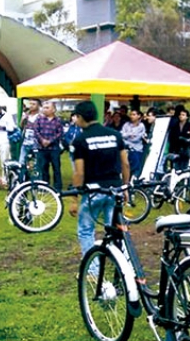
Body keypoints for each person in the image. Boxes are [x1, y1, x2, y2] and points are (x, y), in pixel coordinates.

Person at [68, 101, 129, 259]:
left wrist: (74, 199)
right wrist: (125, 187)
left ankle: (92, 270)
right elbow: (125, 164)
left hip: (93, 192)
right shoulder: (116, 135)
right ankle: (122, 265)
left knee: (86, 230)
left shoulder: (80, 140)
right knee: (116, 229)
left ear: (80, 117)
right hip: (115, 190)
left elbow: (79, 173)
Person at [34, 100, 64, 191]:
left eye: (47, 108)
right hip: (41, 148)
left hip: (54, 148)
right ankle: (44, 186)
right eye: (44, 108)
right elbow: (36, 131)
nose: (45, 110)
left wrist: (50, 141)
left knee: (56, 168)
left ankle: (57, 187)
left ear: (53, 110)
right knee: (43, 168)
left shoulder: (58, 121)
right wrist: (42, 140)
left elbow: (60, 133)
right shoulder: (39, 120)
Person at [121, 108, 146, 177]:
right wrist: (129, 135)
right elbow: (121, 135)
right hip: (127, 149)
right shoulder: (126, 124)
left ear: (139, 116)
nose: (132, 116)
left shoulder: (141, 126)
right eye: (131, 114)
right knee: (126, 167)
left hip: (136, 149)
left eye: (134, 114)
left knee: (135, 168)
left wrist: (126, 137)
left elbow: (136, 139)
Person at [168, 106, 190, 171]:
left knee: (184, 166)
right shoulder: (175, 125)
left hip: (185, 149)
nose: (181, 116)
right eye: (180, 114)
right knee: (175, 167)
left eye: (183, 115)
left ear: (187, 117)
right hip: (176, 148)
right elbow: (171, 137)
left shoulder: (189, 125)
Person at [19, 98, 41, 166]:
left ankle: (37, 175)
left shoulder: (41, 116)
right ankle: (23, 175)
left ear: (38, 106)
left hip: (36, 142)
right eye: (30, 104)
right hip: (26, 141)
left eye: (34, 104)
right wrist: (22, 120)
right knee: (22, 161)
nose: (31, 106)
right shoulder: (26, 115)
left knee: (37, 162)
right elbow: (21, 126)